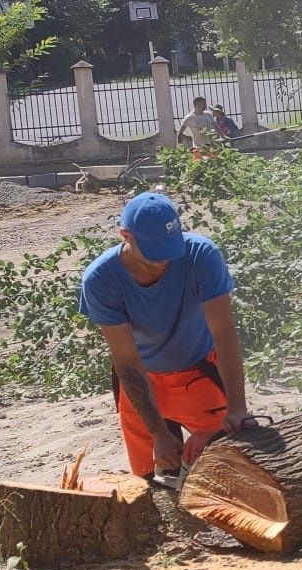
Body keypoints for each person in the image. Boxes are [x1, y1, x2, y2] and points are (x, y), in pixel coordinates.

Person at [79, 191, 256, 479]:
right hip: (140, 381)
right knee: (150, 480)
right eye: (155, 252)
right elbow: (127, 362)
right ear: (126, 235)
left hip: (199, 372)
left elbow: (224, 334)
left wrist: (237, 408)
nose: (165, 260)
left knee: (229, 469)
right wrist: (158, 432)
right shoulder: (100, 280)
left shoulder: (201, 256)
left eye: (170, 249)